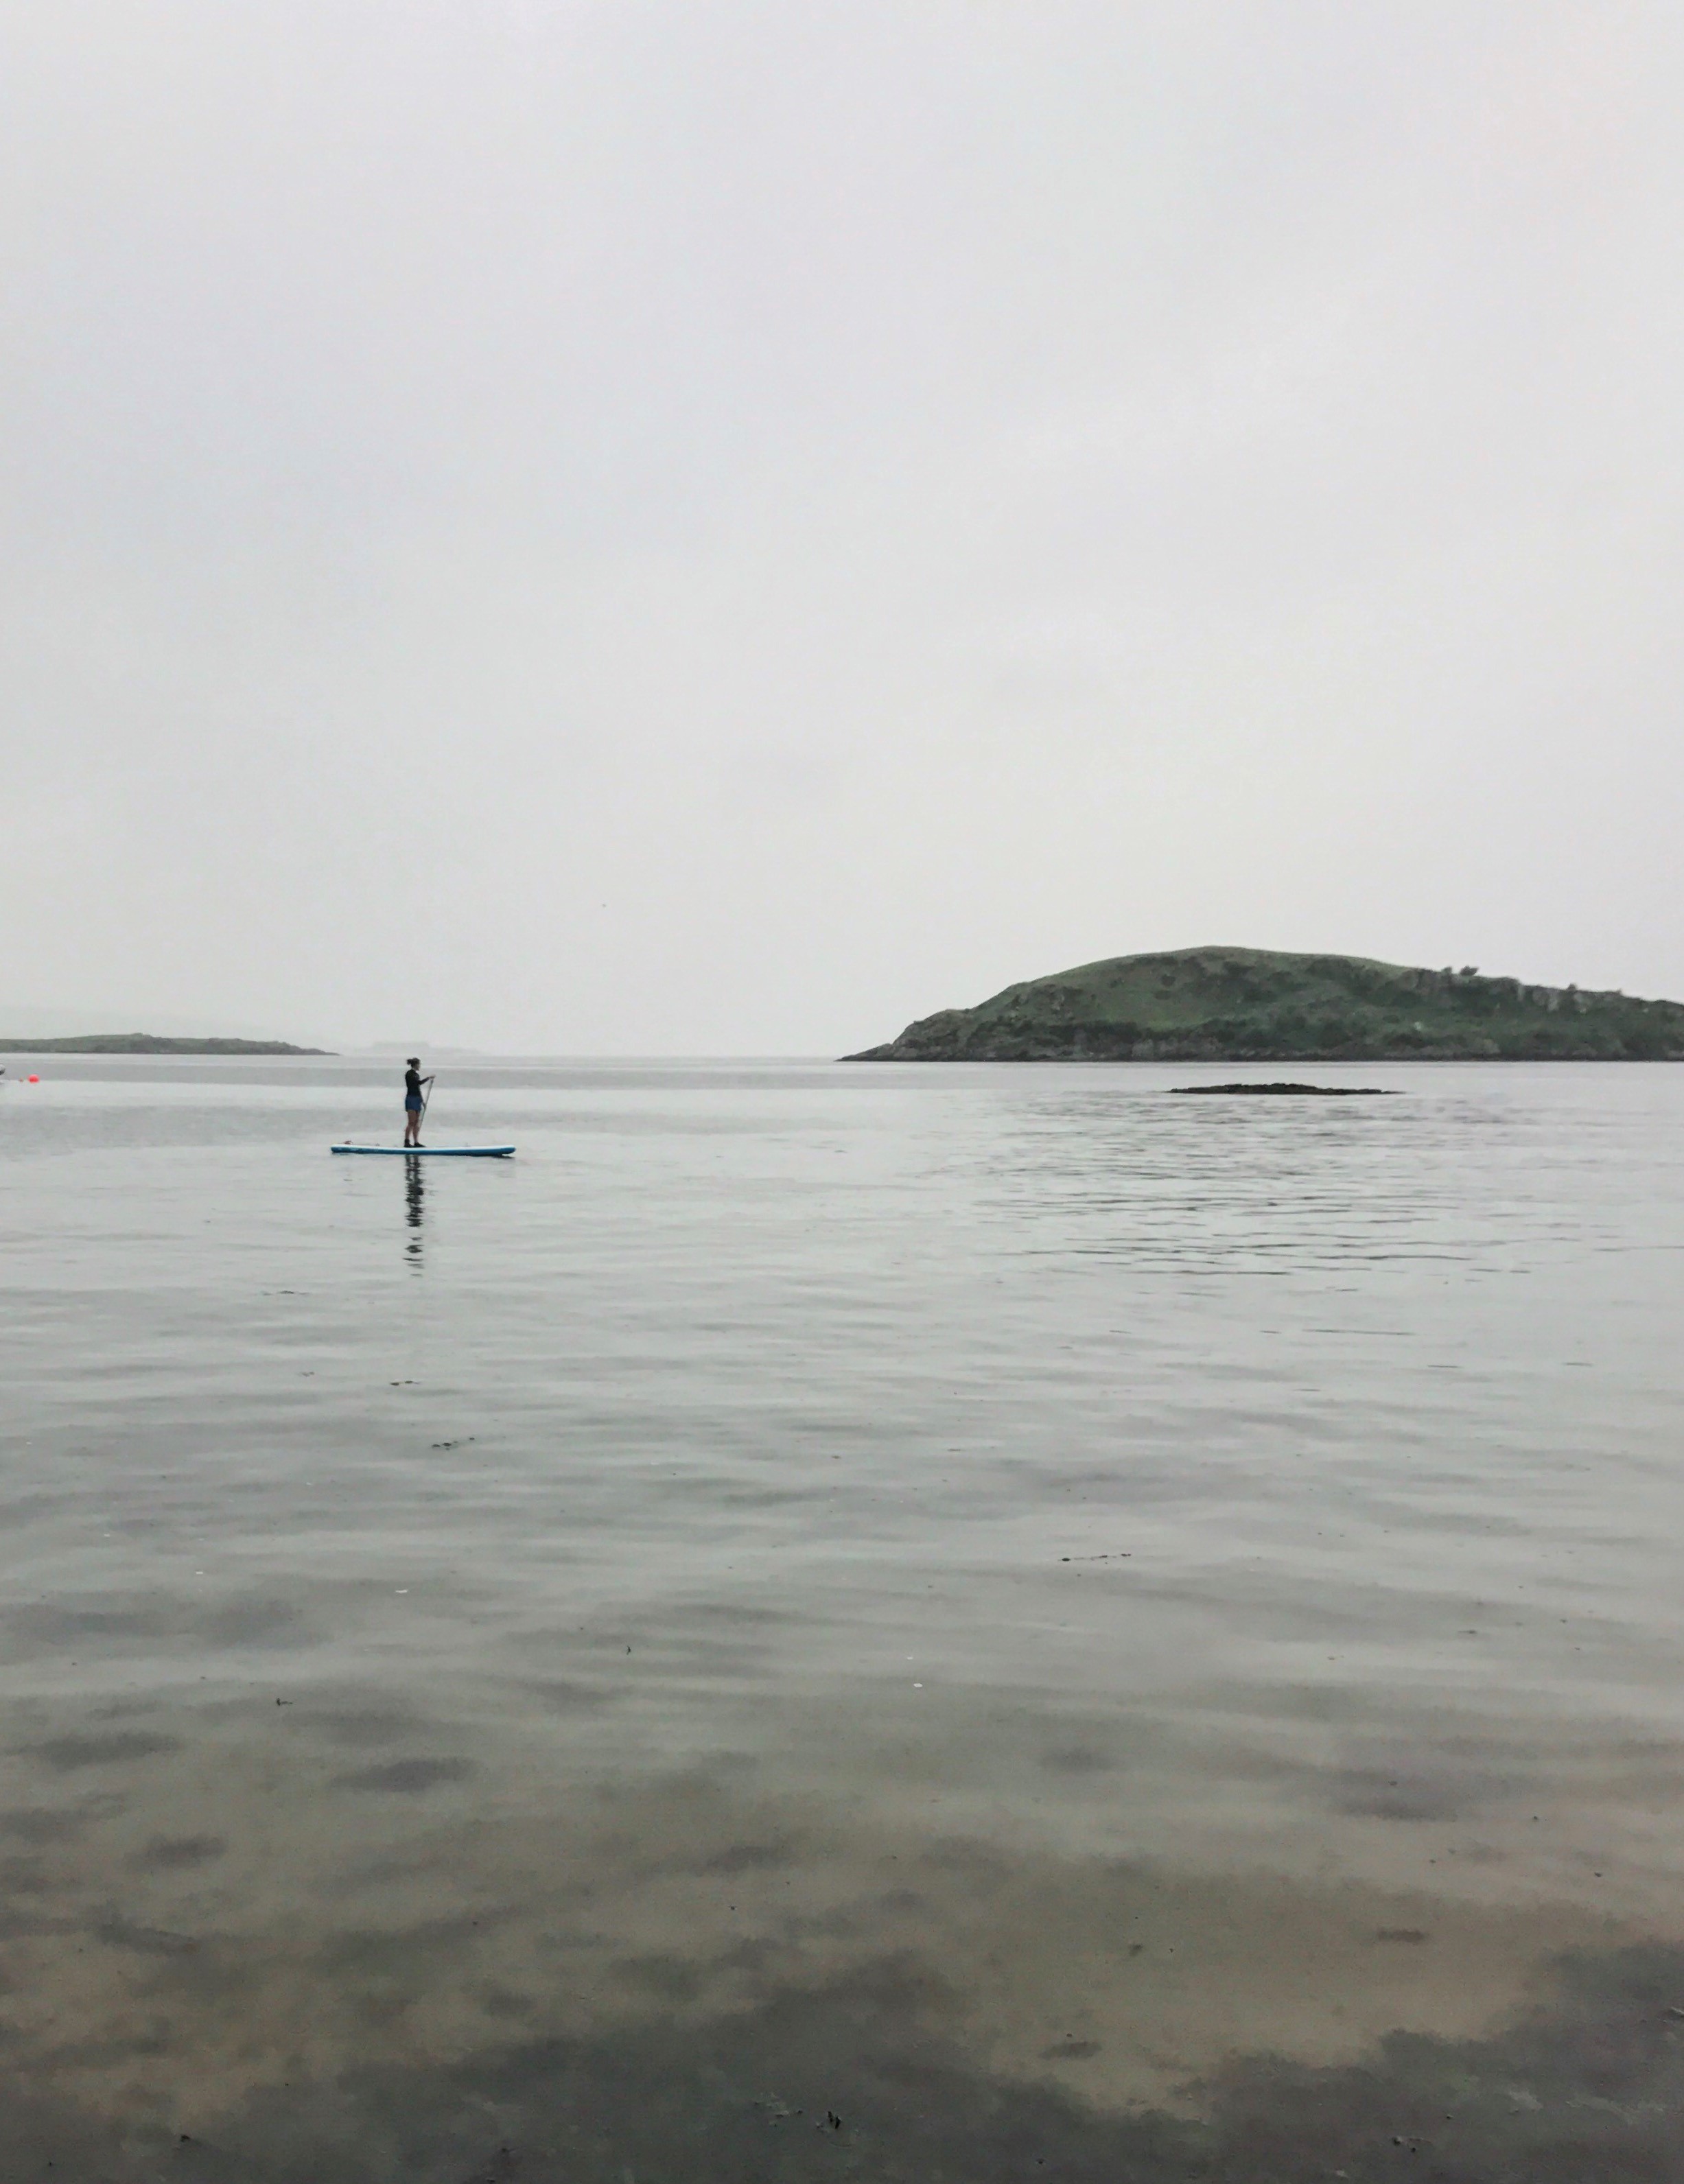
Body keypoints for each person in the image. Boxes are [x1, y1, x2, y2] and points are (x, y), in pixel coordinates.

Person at [403, 1057, 433, 1147]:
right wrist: (428, 1078)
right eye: (419, 1064)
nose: (420, 1066)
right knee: (411, 1122)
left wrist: (422, 1101)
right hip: (411, 1099)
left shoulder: (416, 1075)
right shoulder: (409, 1074)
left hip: (417, 1099)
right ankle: (407, 1142)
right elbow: (417, 1083)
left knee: (417, 1122)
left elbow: (418, 1089)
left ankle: (416, 1142)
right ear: (416, 1065)